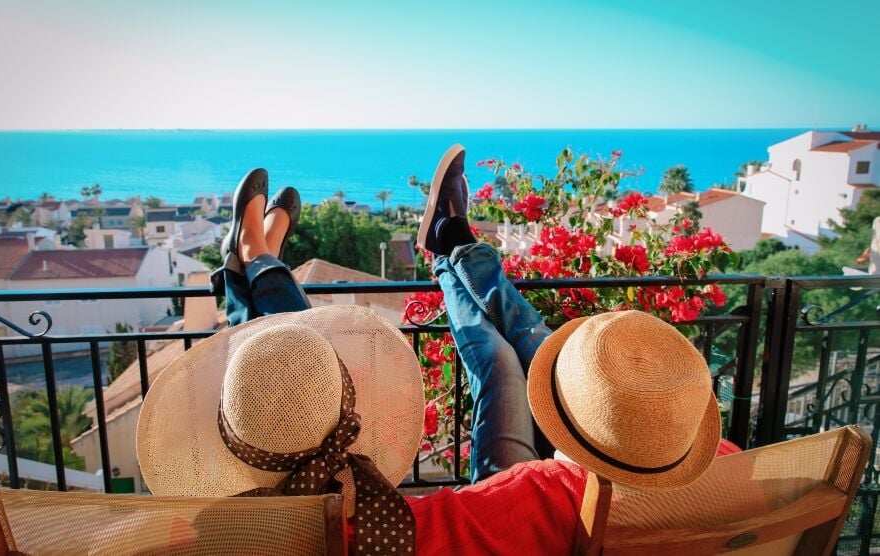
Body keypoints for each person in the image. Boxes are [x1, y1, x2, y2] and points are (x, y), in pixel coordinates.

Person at [138, 150, 740, 555]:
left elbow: (372, 519)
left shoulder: (531, 497)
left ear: (578, 430)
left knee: (299, 379)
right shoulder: (735, 477)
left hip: (529, 529)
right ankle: (439, 245)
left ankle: (253, 264)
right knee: (503, 360)